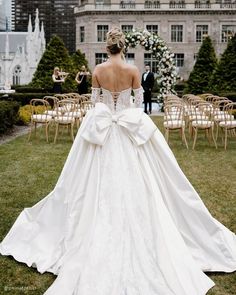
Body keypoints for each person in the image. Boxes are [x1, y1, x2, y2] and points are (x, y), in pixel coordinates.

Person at [0, 27, 236, 295]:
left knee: (81, 185)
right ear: (123, 47)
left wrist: (108, 113)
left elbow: (94, 103)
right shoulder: (134, 70)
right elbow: (135, 107)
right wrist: (120, 113)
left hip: (103, 132)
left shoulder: (98, 71)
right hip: (126, 132)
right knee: (145, 184)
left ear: (107, 47)